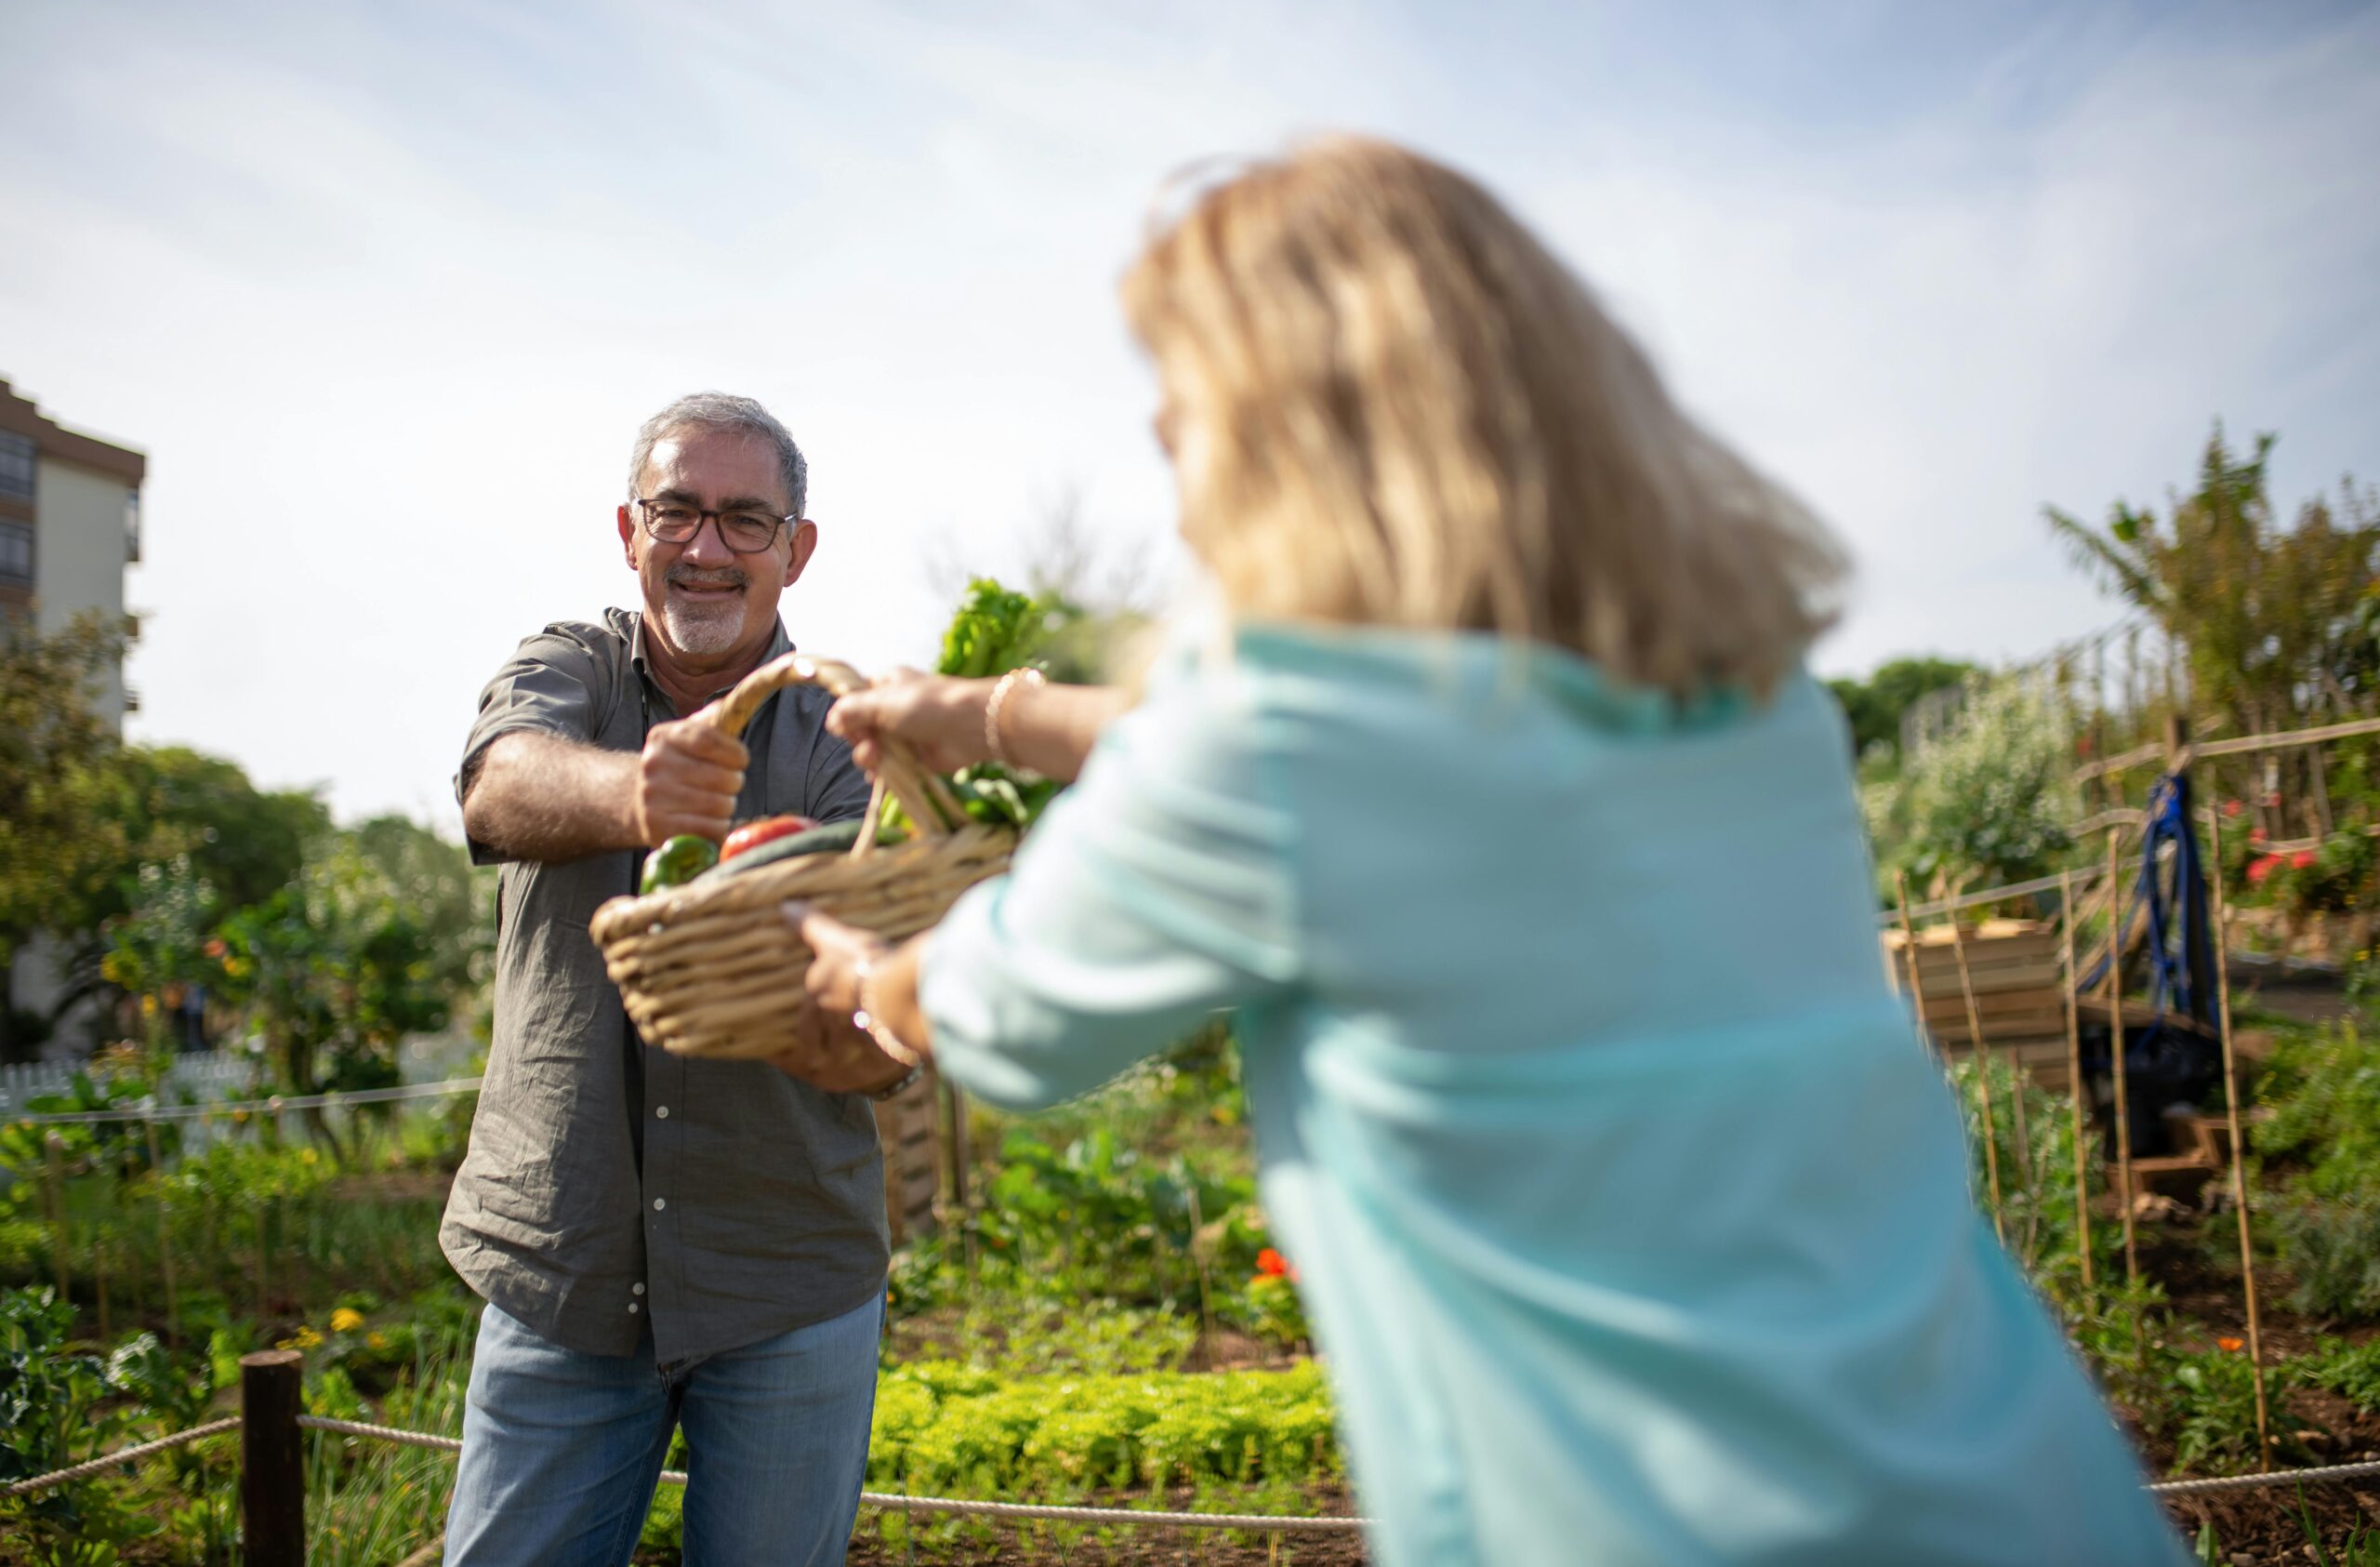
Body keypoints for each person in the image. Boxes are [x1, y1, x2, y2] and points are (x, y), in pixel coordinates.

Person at [779, 142, 2190, 1565]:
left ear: (1294, 427)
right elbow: (1339, 753)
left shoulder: (1276, 744)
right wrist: (988, 717)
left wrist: (864, 974)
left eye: (1184, 401)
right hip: (2028, 1486)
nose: (1160, 442)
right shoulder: (1743, 698)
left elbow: (1005, 1017)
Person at [443, 393, 918, 1567]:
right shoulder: (569, 667)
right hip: (563, 1267)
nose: (705, 548)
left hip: (787, 1276)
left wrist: (863, 1028)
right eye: (678, 512)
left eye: (745, 520)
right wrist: (637, 795)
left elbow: (884, 1018)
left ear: (795, 548)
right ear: (629, 529)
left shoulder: (848, 729)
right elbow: (498, 787)